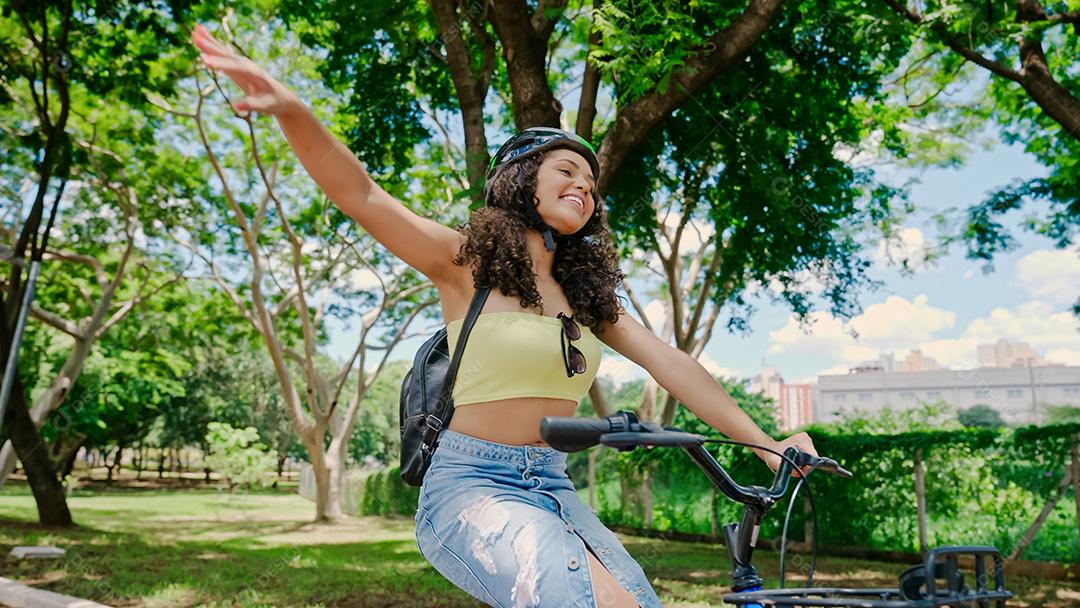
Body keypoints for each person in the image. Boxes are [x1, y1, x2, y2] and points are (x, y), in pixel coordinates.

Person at [191, 23, 818, 608]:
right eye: (566, 171)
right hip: (470, 486)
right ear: (521, 182)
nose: (584, 187)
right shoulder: (464, 264)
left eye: (592, 184)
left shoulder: (588, 300)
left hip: (554, 485)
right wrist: (293, 111)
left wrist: (769, 446)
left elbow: (673, 366)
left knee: (636, 601)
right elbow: (362, 195)